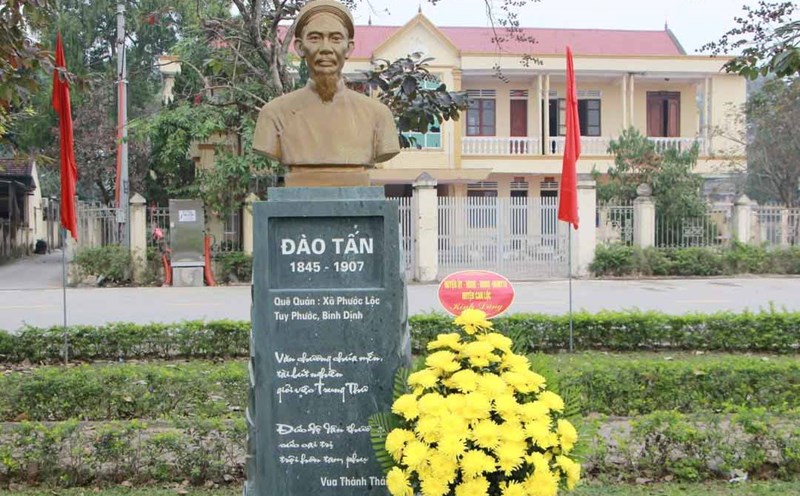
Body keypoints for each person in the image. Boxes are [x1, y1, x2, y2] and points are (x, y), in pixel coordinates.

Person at [252, 0, 400, 185]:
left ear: (349, 47)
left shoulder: (378, 115)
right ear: (299, 47)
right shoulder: (273, 114)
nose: (326, 48)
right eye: (315, 38)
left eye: (336, 38)